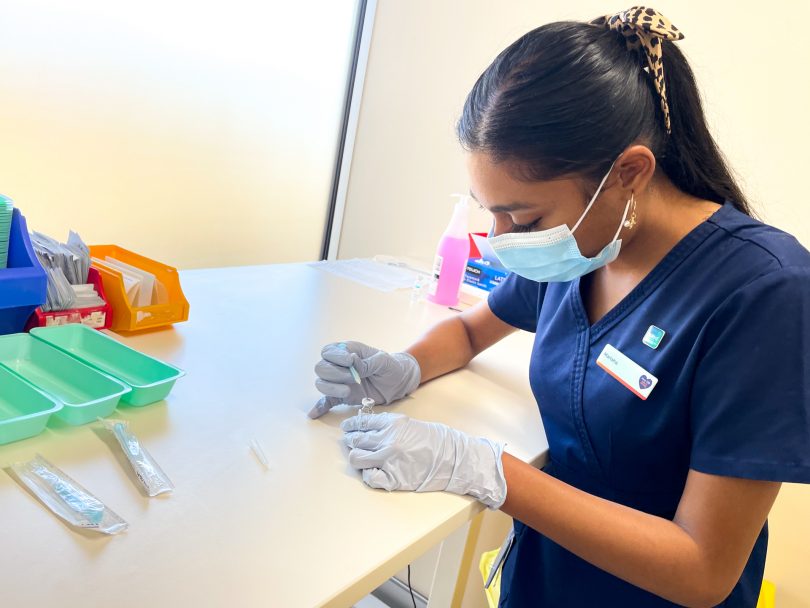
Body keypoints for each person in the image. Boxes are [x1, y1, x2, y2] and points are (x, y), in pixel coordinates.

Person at [311, 7, 810, 607]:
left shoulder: (764, 293)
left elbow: (703, 569)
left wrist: (485, 469)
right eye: (488, 209)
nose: (500, 237)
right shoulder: (582, 249)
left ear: (628, 172)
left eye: (522, 217)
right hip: (549, 573)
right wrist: (404, 366)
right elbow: (471, 332)